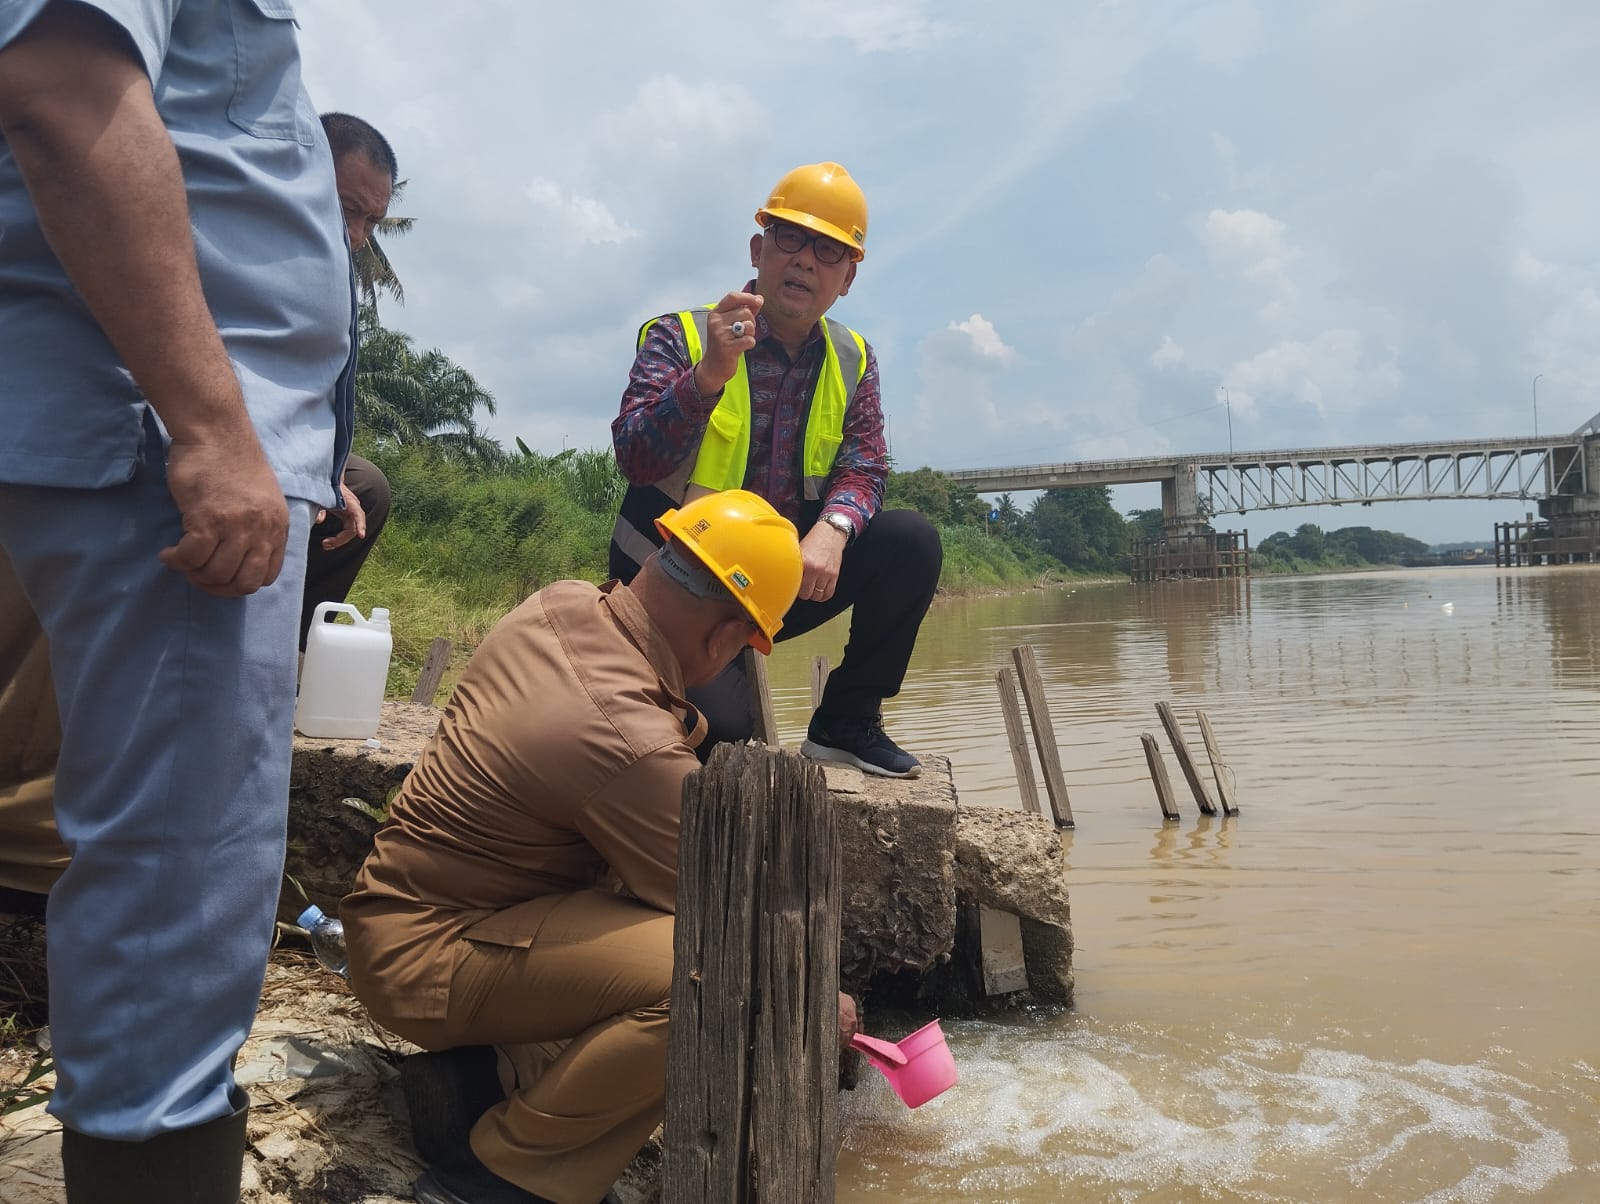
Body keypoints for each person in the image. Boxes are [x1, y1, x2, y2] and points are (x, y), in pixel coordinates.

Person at [0, 4, 352, 1202]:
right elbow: (59, 84)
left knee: (164, 867)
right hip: (151, 434)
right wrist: (212, 426)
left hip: (147, 424)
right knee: (176, 888)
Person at [342, 490, 854, 1204]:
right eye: (745, 643)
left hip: (419, 920)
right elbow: (729, 919)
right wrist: (813, 993)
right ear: (723, 638)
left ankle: (495, 1078)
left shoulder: (562, 602)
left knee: (677, 937)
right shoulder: (625, 741)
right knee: (730, 975)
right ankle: (500, 1179)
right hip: (429, 958)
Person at [610, 162, 942, 779]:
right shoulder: (679, 336)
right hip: (672, 581)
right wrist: (707, 376)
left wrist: (834, 528)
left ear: (847, 277)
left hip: (775, 582)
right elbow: (634, 455)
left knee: (911, 542)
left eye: (829, 250)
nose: (806, 261)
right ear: (760, 249)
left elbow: (865, 466)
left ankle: (846, 723)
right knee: (722, 741)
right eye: (790, 239)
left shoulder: (853, 358)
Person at [301, 111, 397, 649]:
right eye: (346, 212)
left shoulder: (337, 278)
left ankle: (293, 653)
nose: (357, 238)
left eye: (372, 223)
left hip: (293, 449)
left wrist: (327, 472)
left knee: (365, 489)